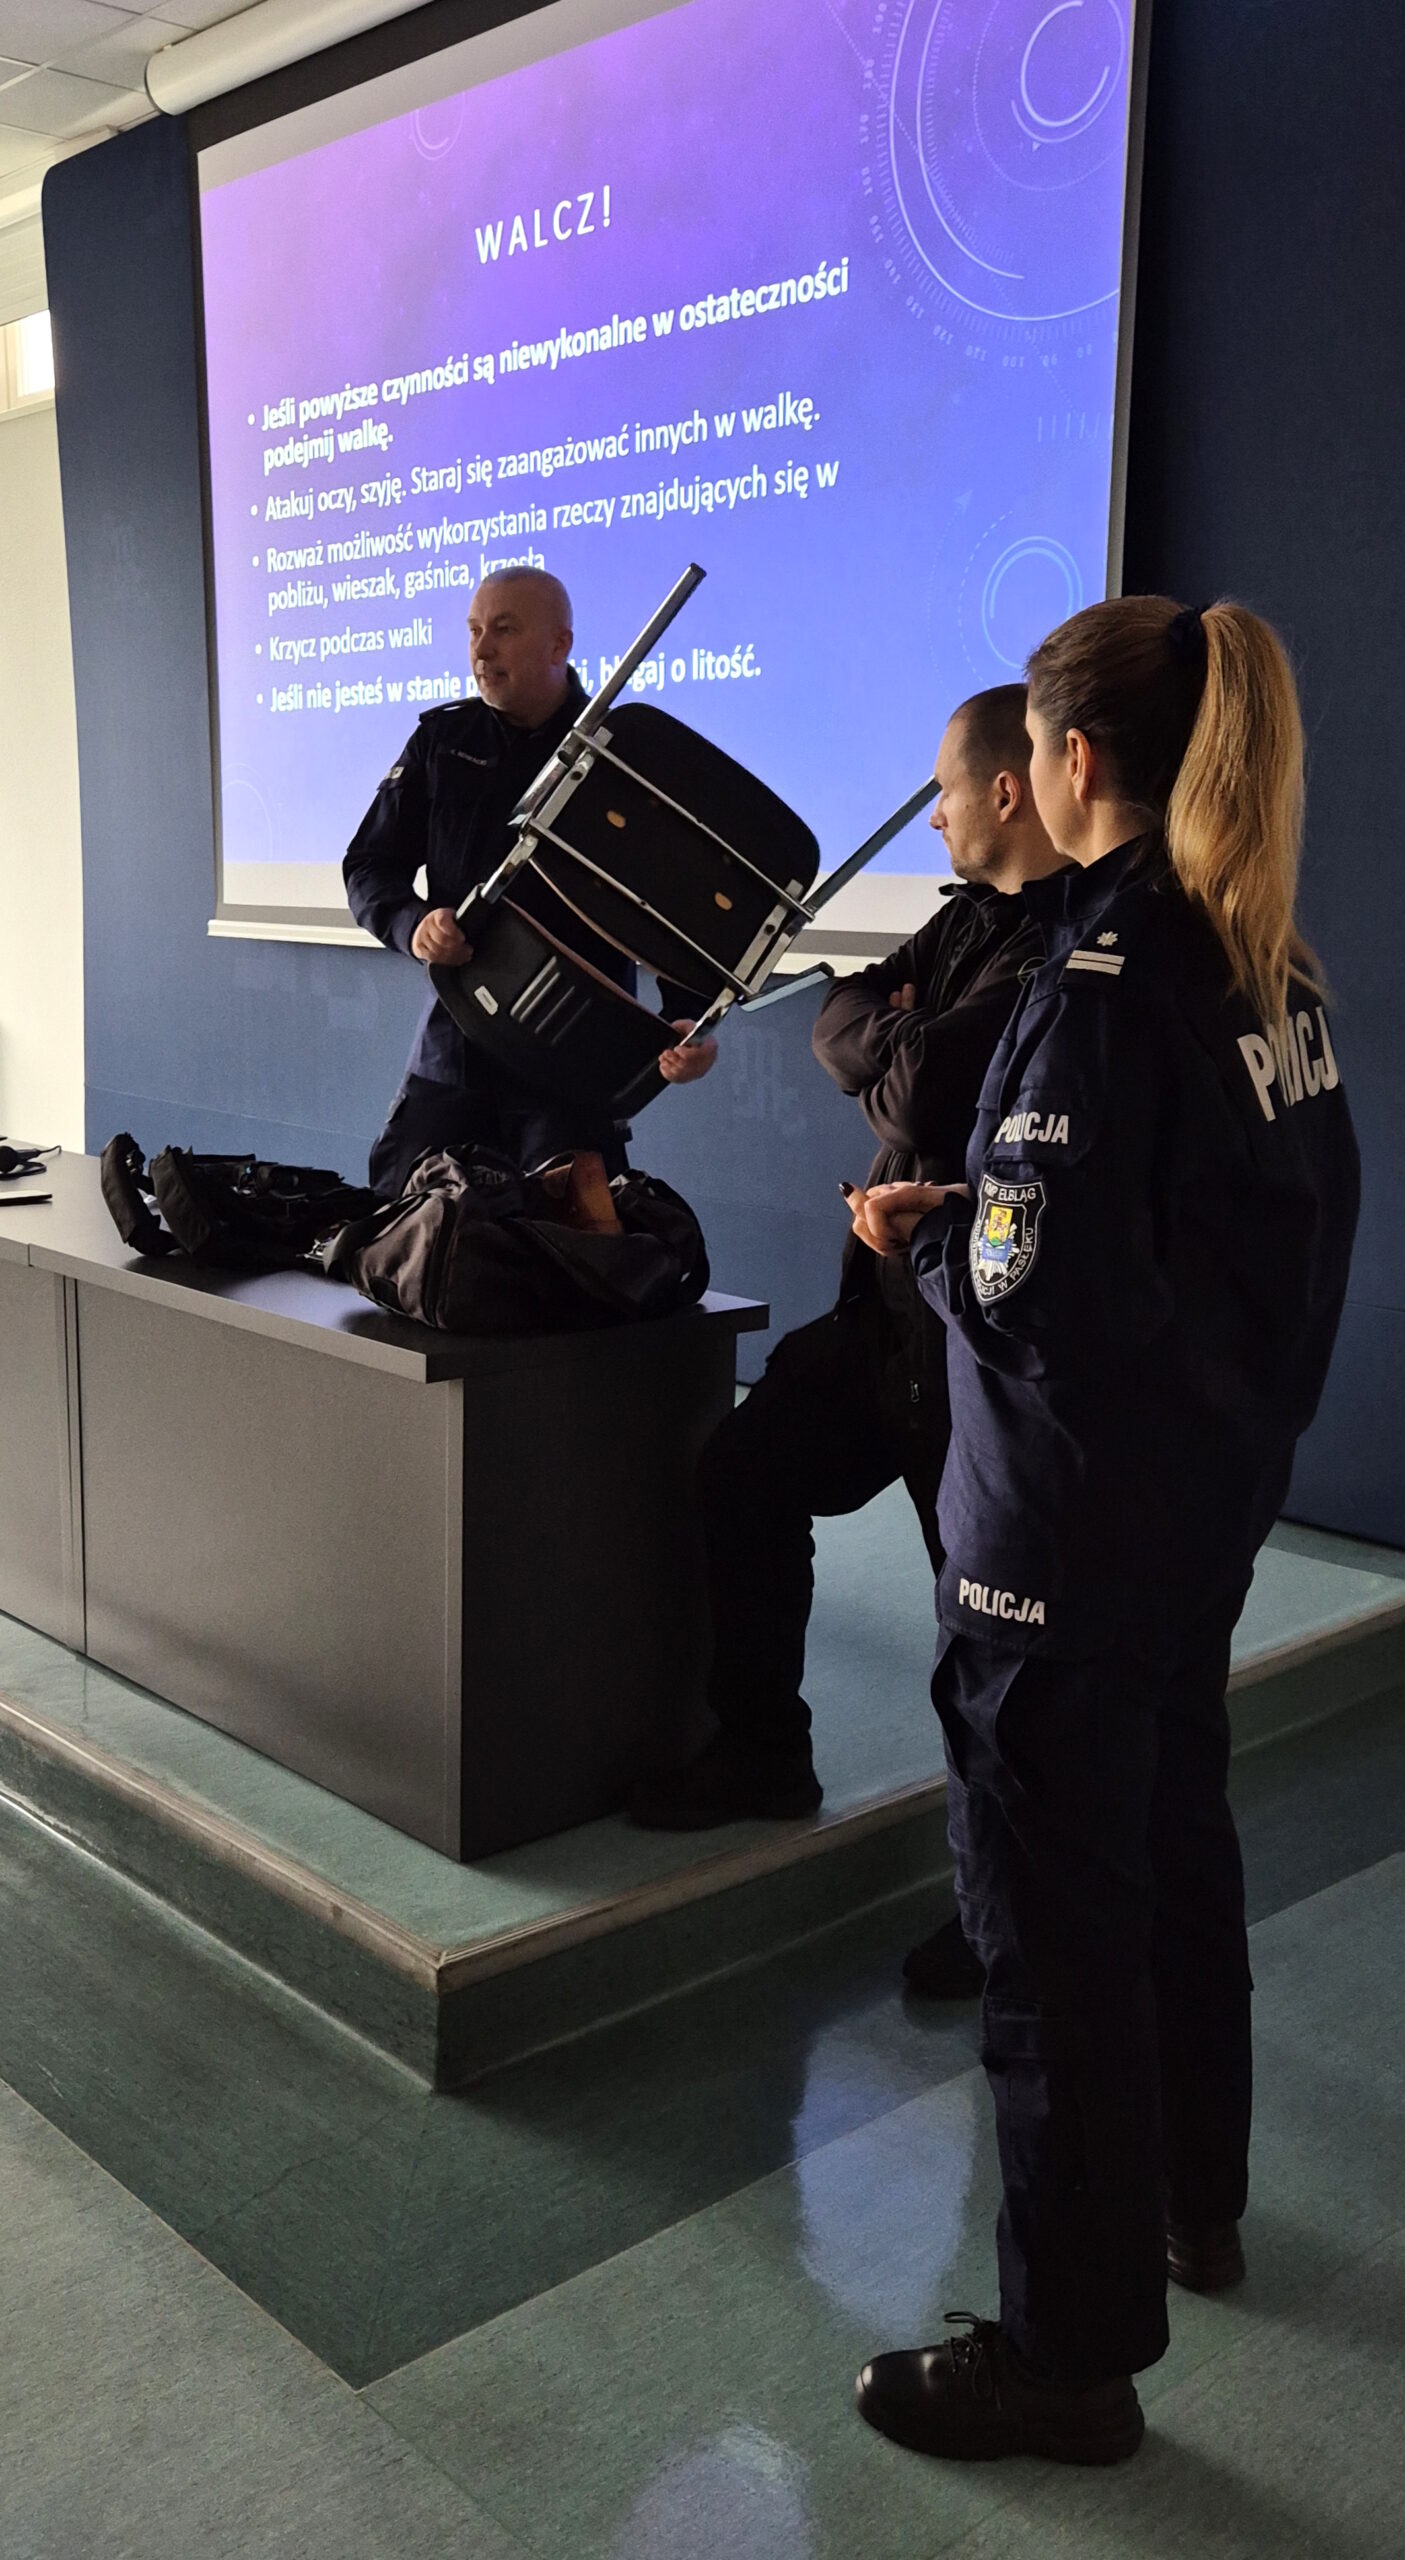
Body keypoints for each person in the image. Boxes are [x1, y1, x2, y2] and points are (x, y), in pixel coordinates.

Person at [847, 596, 1359, 2465]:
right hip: (1193, 1521)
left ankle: (1067, 2360)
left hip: (1055, 1545)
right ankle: (1191, 2205)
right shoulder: (1268, 964)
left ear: (1069, 764)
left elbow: (1037, 1294)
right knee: (1176, 1855)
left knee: (1053, 1937)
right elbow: (1259, 1254)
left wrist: (933, 1251)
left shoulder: (1101, 985)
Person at [628, 689, 1064, 1940]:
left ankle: (1008, 1915)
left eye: (943, 791)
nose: (930, 816)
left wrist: (902, 1047)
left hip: (972, 1342)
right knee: (743, 1471)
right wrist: (901, 1040)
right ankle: (765, 1752)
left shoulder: (1064, 945)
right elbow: (836, 1021)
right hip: (882, 1321)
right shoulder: (966, 918)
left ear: (1005, 791)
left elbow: (915, 1091)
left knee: (984, 1625)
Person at [344, 567, 716, 1196]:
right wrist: (413, 925)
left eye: (504, 630)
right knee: (399, 1233)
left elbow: (680, 908)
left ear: (559, 645)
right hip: (453, 1052)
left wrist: (687, 1019)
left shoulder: (621, 756)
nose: (481, 650)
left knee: (567, 1246)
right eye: (474, 631)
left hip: (572, 1066)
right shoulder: (442, 741)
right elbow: (368, 864)